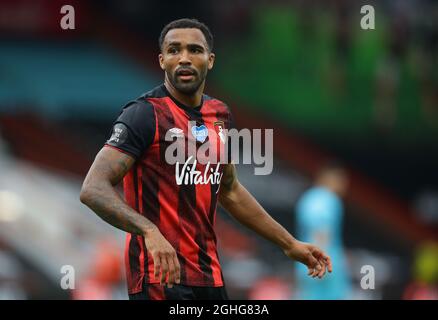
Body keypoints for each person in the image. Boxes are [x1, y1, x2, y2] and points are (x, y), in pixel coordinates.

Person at [80, 18, 332, 300]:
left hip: (209, 275)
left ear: (210, 60)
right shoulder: (142, 115)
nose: (184, 58)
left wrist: (289, 244)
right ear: (162, 60)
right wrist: (149, 231)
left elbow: (230, 190)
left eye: (194, 50)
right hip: (160, 276)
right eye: (174, 50)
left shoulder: (219, 115)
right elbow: (93, 189)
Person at [295, 162, 352, 299]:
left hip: (305, 264)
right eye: (342, 180)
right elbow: (321, 231)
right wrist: (320, 263)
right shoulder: (328, 199)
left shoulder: (307, 198)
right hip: (325, 268)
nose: (345, 186)